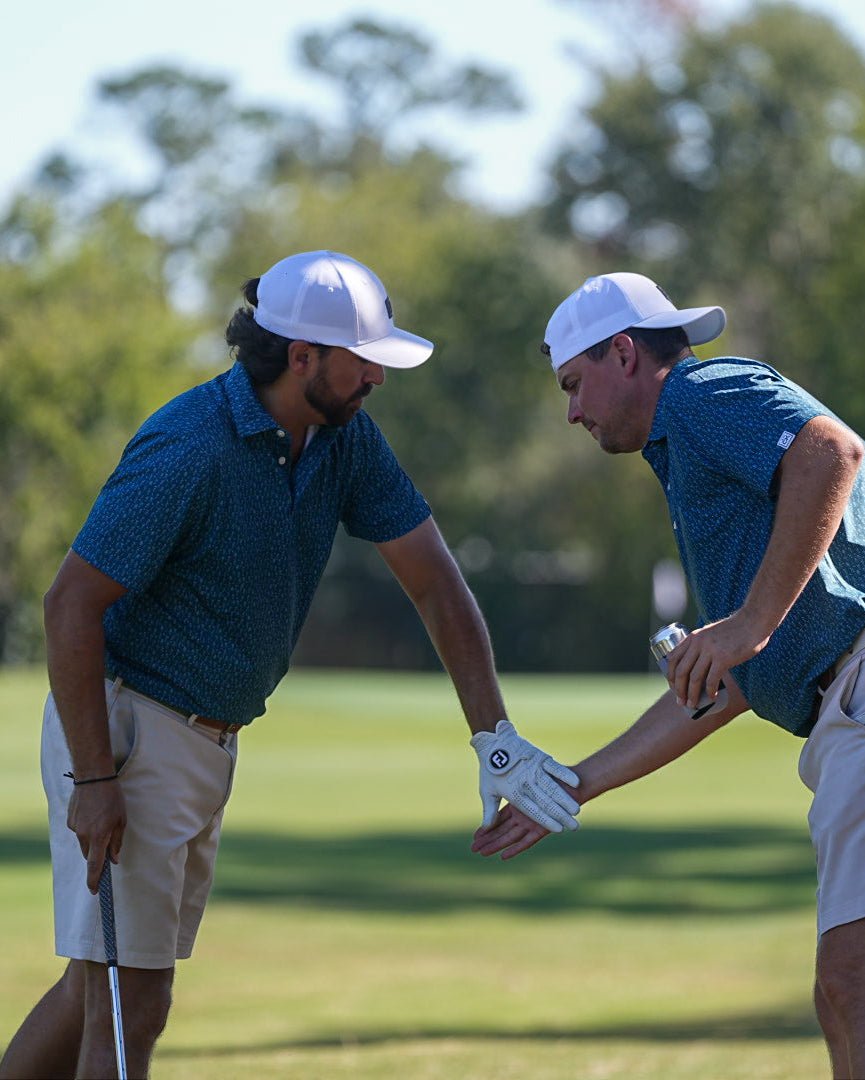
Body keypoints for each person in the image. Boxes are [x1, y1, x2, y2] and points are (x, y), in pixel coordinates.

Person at [0, 250, 580, 1079]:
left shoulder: (340, 439)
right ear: (302, 356)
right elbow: (69, 605)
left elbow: (436, 586)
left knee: (94, 988)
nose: (378, 379)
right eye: (365, 362)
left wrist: (494, 737)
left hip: (205, 739)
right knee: (130, 1006)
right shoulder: (190, 447)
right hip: (129, 730)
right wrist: (94, 782)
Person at [471, 271, 865, 1078]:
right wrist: (576, 785)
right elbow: (723, 685)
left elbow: (833, 449)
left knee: (850, 984)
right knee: (845, 991)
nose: (571, 412)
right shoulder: (683, 452)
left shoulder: (698, 392)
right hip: (841, 712)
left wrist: (749, 621)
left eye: (574, 385)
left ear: (623, 353)